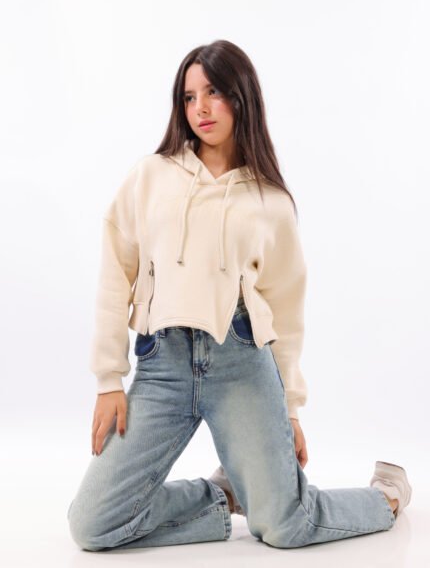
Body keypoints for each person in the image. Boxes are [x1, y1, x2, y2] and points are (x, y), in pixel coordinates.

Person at [67, 39, 411, 552]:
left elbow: (287, 310)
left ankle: (385, 495)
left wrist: (290, 409)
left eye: (214, 93)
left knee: (285, 525)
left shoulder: (270, 200)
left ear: (241, 96)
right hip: (164, 366)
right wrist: (107, 379)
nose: (200, 108)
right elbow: (115, 271)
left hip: (242, 363)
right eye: (189, 97)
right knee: (92, 524)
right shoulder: (151, 176)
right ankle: (222, 496)